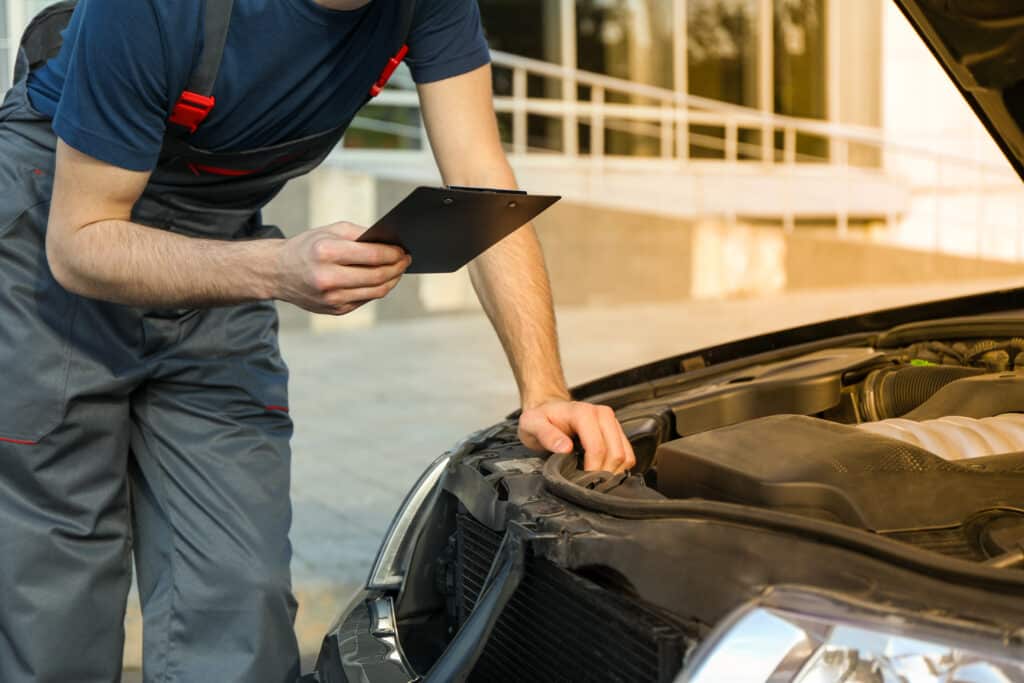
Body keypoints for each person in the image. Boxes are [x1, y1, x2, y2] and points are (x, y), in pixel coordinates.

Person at [0, 0, 636, 680]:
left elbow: (482, 183)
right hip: (61, 219)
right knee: (57, 597)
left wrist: (543, 389)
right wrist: (276, 269)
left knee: (239, 596)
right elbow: (80, 244)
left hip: (220, 239)